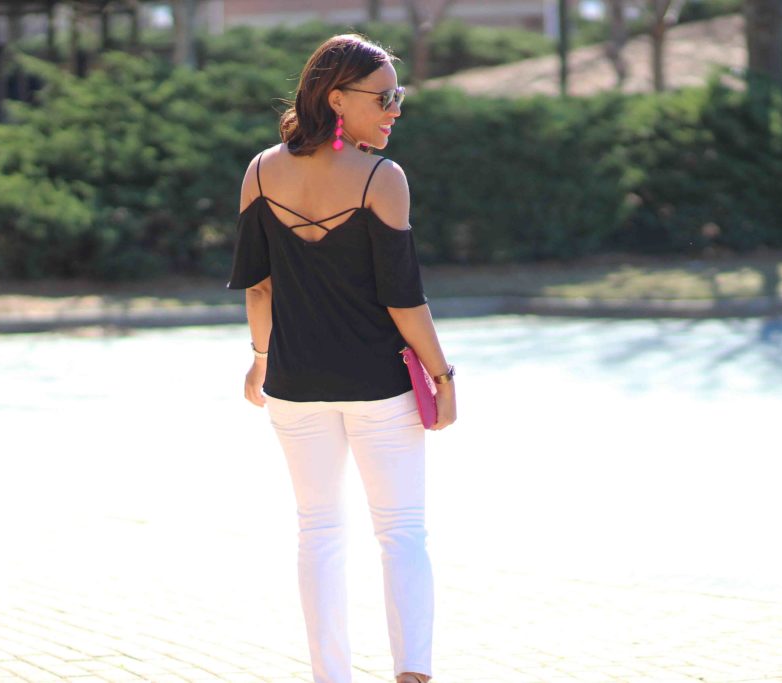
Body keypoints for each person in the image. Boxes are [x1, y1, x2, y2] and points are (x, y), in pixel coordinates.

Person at [226, 33, 457, 683]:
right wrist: (442, 375)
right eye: (384, 98)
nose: (395, 110)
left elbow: (259, 287)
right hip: (379, 385)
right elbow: (403, 300)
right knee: (401, 530)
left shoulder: (260, 172)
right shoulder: (383, 178)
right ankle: (413, 673)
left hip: (293, 384)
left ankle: (331, 676)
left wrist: (260, 359)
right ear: (336, 99)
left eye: (398, 96)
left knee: (318, 532)